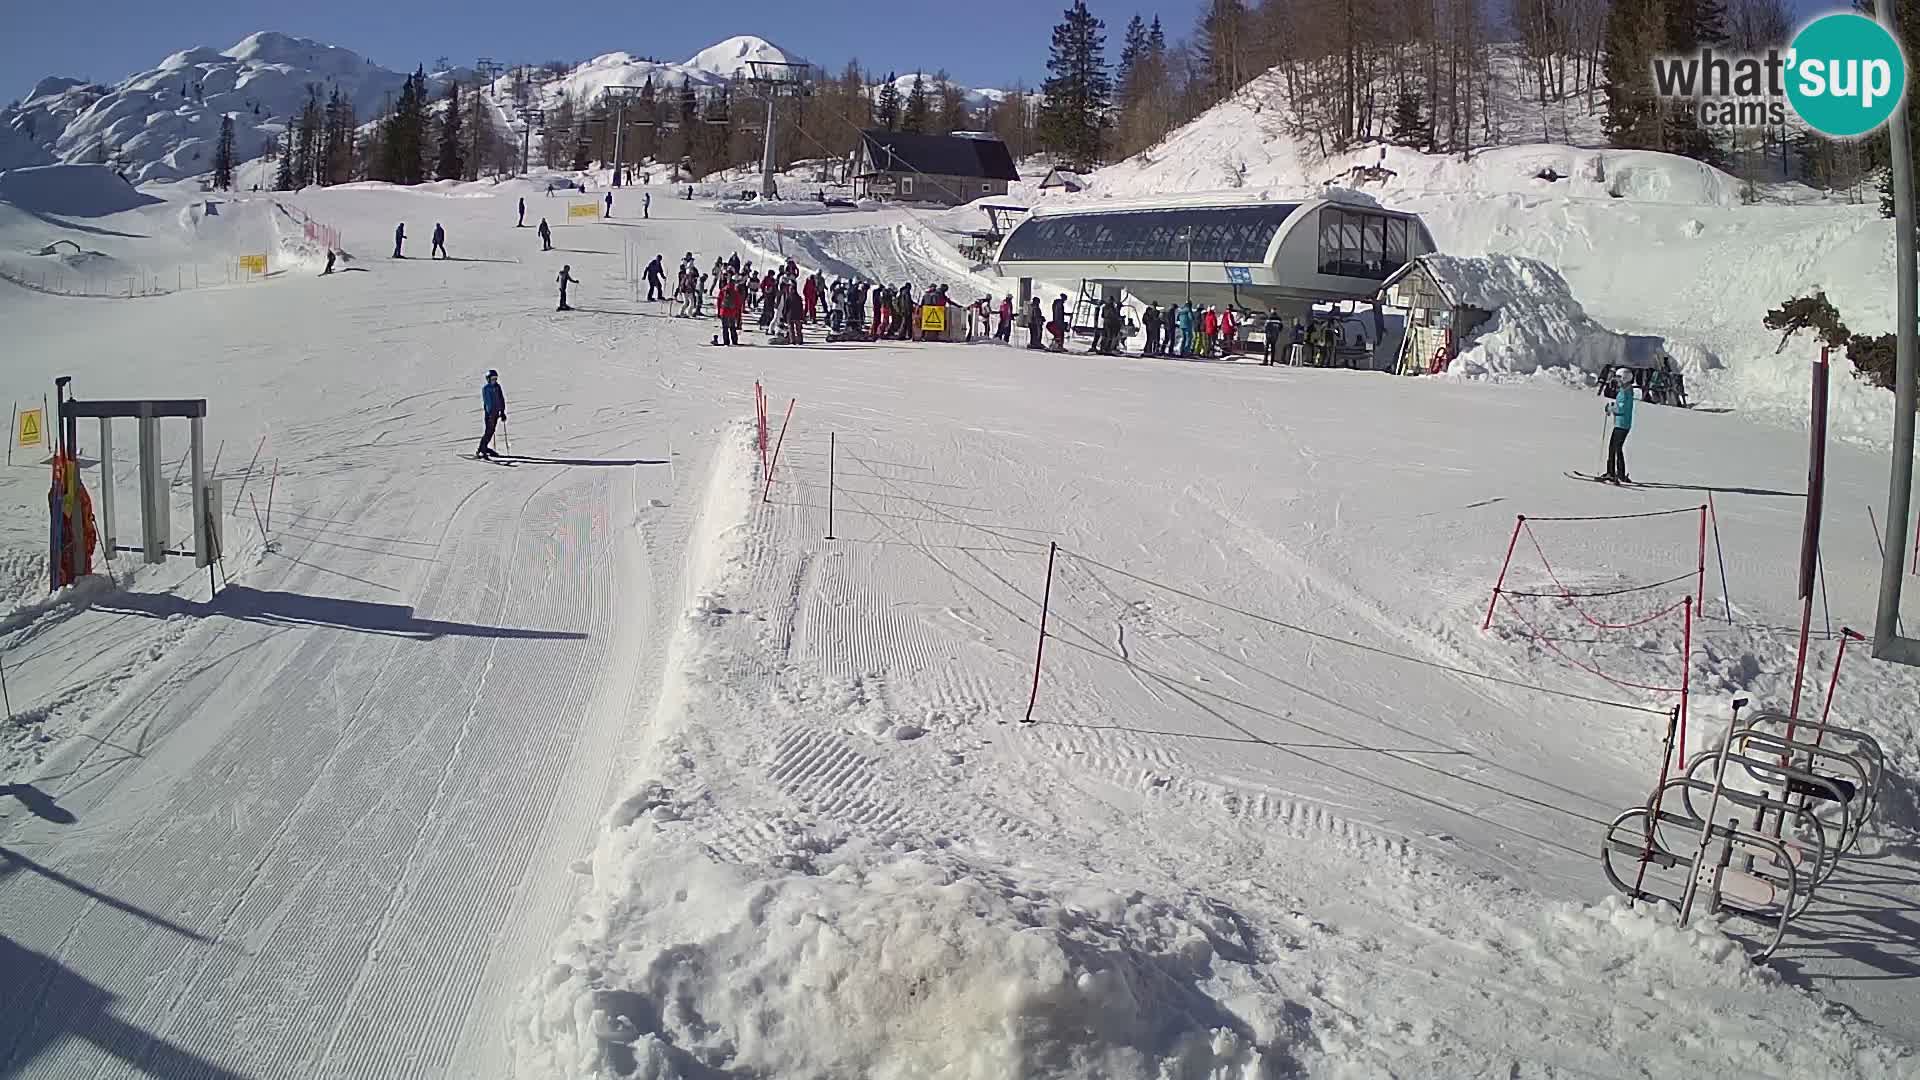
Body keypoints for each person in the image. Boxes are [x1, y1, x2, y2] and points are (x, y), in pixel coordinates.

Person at [1604, 373, 1635, 483]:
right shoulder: (1625, 390)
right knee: (1615, 448)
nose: (1617, 381)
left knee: (1615, 448)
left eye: (1619, 378)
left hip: (1622, 425)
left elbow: (1621, 409)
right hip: (1621, 424)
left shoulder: (1625, 393)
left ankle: (1615, 473)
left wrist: (1611, 408)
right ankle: (1615, 473)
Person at [476, 370, 507, 459]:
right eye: (492, 379)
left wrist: (502, 411)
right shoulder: (486, 389)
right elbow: (488, 402)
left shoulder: (497, 387)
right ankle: (481, 449)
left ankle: (484, 447)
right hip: (489, 414)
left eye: (495, 379)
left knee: (492, 431)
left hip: (496, 413)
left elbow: (501, 399)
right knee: (488, 431)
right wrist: (490, 414)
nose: (494, 381)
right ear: (488, 379)